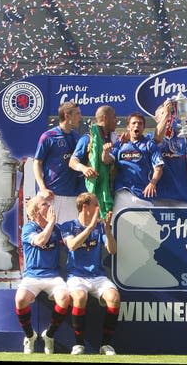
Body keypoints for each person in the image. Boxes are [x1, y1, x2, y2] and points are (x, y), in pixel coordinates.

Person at [60, 192, 120, 355]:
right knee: (79, 298)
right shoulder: (68, 226)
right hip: (76, 276)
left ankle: (106, 345)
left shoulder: (100, 227)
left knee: (114, 298)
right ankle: (79, 344)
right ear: (85, 207)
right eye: (96, 204)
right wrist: (90, 227)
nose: (98, 208)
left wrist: (107, 231)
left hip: (97, 276)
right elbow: (72, 245)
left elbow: (113, 250)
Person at [15, 195, 71, 354]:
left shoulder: (58, 229)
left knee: (65, 298)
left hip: (52, 275)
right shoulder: (28, 228)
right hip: (32, 275)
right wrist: (51, 223)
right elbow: (40, 241)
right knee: (20, 300)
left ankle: (49, 335)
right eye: (45, 204)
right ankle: (30, 336)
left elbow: (70, 243)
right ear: (36, 211)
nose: (49, 206)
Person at [33, 101, 84, 224]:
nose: (80, 117)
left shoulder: (78, 138)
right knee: (48, 236)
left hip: (72, 197)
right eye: (77, 114)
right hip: (51, 195)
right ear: (67, 115)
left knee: (70, 238)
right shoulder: (48, 136)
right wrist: (43, 188)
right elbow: (37, 163)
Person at [110, 113, 164, 217]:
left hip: (143, 195)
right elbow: (108, 160)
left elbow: (159, 167)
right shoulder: (119, 144)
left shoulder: (149, 144)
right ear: (128, 126)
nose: (136, 126)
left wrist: (152, 183)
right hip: (122, 193)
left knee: (148, 232)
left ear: (143, 127)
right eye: (133, 123)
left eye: (140, 123)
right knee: (119, 231)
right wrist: (105, 152)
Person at [69, 105, 118, 219]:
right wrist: (84, 169)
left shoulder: (113, 140)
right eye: (114, 117)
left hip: (109, 195)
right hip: (89, 197)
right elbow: (72, 161)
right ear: (105, 118)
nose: (117, 121)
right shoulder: (88, 139)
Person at [149, 101, 187, 207]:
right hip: (157, 197)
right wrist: (166, 113)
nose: (168, 117)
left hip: (181, 196)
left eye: (170, 114)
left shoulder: (182, 137)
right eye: (163, 114)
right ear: (156, 118)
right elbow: (158, 137)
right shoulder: (150, 138)